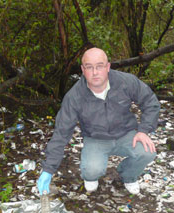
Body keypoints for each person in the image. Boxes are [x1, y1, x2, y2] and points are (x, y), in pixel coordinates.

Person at [37, 47, 160, 195]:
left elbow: (150, 102)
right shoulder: (74, 96)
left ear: (108, 67)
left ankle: (128, 175)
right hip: (96, 138)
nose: (95, 72)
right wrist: (48, 170)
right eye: (89, 67)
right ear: (83, 70)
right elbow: (61, 132)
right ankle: (91, 176)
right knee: (91, 170)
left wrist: (143, 131)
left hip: (126, 133)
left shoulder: (125, 82)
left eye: (99, 66)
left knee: (147, 151)